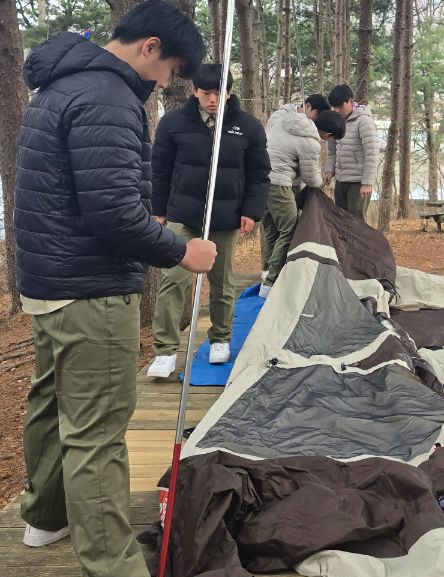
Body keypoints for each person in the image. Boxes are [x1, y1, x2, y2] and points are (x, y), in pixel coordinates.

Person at [14, 0, 215, 577]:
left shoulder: (64, 82)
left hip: (50, 281)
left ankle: (46, 517)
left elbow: (89, 197)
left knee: (52, 402)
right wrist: (184, 249)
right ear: (150, 47)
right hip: (89, 290)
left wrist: (144, 222)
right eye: (171, 69)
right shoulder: (107, 96)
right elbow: (111, 217)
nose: (167, 85)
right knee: (96, 435)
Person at [149, 63, 270, 375]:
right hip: (182, 214)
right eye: (206, 93)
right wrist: (158, 210)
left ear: (230, 93)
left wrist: (251, 211)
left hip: (226, 216)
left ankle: (220, 337)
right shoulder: (173, 124)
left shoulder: (247, 127)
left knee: (222, 280)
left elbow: (259, 174)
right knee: (174, 279)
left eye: (220, 93)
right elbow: (159, 170)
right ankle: (165, 350)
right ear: (194, 91)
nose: (213, 99)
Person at [261, 103, 346, 296]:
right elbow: (311, 178)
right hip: (279, 182)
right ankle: (271, 283)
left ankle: (265, 271)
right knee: (290, 229)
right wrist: (321, 184)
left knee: (272, 227)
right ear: (328, 135)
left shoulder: (291, 120)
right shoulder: (311, 141)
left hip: (261, 178)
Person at [324, 83, 380, 220]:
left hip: (358, 182)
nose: (336, 110)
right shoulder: (335, 121)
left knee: (356, 222)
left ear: (350, 102)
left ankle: (361, 243)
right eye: (334, 107)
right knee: (341, 221)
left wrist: (367, 183)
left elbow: (372, 153)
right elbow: (332, 151)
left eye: (340, 106)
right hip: (341, 180)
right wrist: (329, 171)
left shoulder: (364, 121)